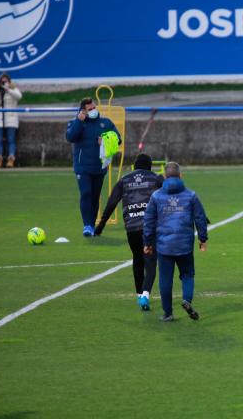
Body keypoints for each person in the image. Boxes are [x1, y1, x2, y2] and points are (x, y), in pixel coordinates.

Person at [94, 153, 163, 311]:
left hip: (132, 228)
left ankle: (139, 294)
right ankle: (145, 295)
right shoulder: (156, 178)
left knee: (137, 259)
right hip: (150, 228)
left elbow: (112, 202)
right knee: (150, 261)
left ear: (135, 166)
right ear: (149, 166)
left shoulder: (124, 180)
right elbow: (173, 193)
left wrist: (101, 225)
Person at [143, 162, 208, 322]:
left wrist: (147, 243)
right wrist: (202, 239)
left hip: (164, 245)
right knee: (187, 275)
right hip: (184, 244)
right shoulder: (191, 195)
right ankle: (186, 300)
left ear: (164, 176)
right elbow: (200, 218)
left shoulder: (156, 196)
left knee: (165, 279)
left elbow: (149, 221)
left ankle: (168, 313)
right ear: (181, 175)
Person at [65, 97, 121, 237]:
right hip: (82, 166)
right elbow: (70, 137)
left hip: (100, 166)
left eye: (94, 108)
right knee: (86, 193)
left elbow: (118, 138)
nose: (93, 111)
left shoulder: (105, 122)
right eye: (90, 109)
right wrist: (79, 121)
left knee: (95, 196)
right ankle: (87, 226)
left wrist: (107, 139)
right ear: (83, 110)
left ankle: (92, 224)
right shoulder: (75, 122)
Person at [0, 73, 22, 168]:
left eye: (5, 81)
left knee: (11, 140)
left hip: (11, 119)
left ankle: (11, 160)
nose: (4, 83)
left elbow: (19, 96)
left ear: (9, 82)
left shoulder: (13, 89)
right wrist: (0, 94)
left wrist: (9, 89)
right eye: (2, 82)